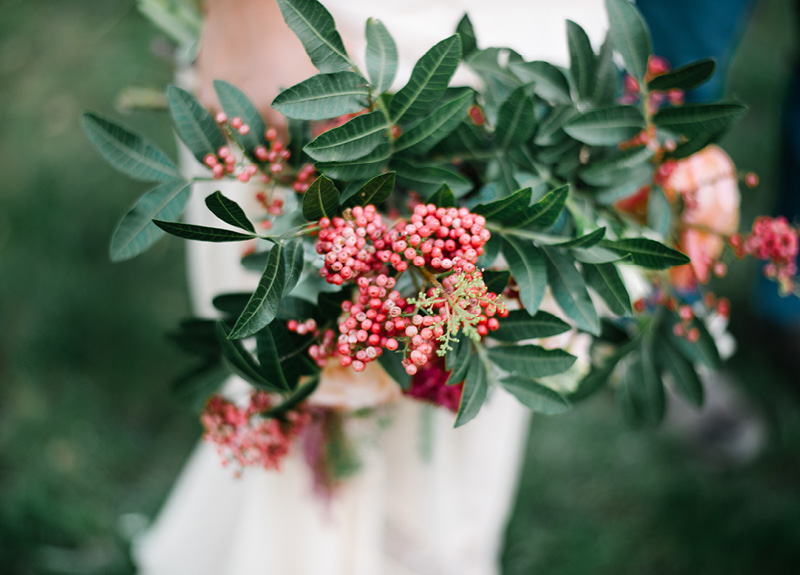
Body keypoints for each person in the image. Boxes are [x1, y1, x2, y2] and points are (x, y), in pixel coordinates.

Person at [134, 2, 608, 574]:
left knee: (445, 477)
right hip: (336, 55)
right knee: (292, 414)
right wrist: (250, 18)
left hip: (532, 56)